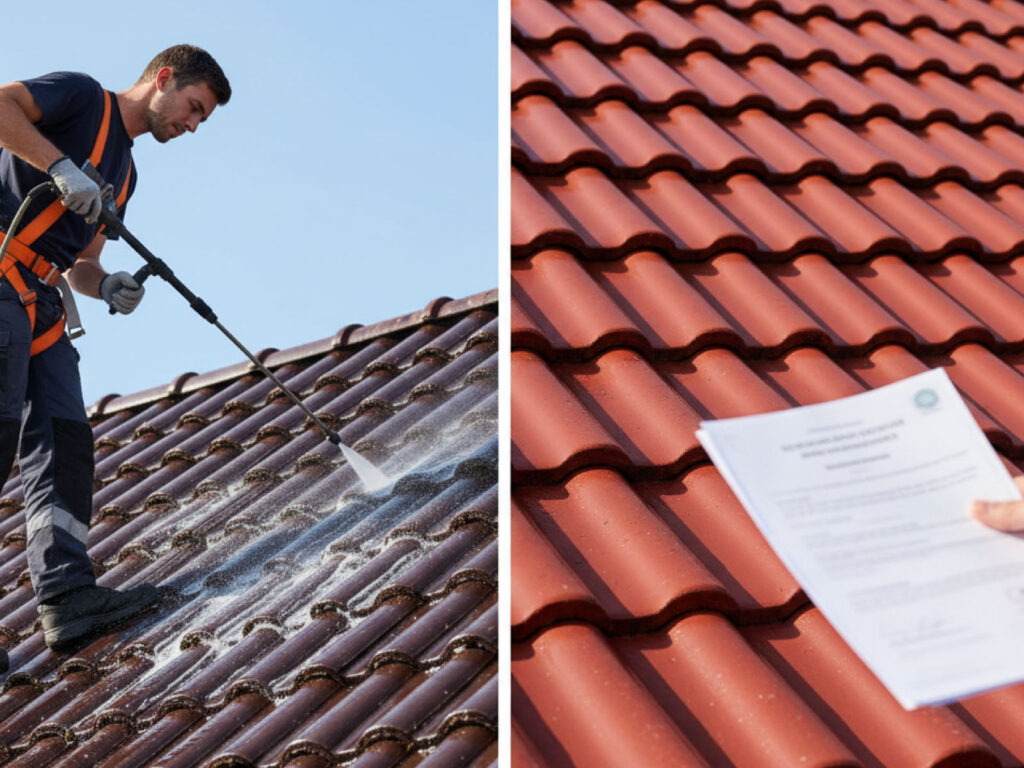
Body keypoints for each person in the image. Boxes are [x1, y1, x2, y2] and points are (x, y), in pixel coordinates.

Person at [0, 45, 230, 669]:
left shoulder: (126, 175)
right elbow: (0, 106)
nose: (191, 126)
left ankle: (67, 598)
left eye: (201, 120)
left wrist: (105, 286)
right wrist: (58, 166)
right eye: (193, 108)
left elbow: (84, 261)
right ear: (162, 79)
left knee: (66, 439)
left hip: (40, 300)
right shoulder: (77, 97)